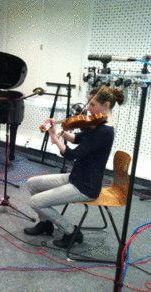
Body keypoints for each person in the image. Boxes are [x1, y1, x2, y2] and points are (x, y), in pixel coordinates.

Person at [23, 85, 124, 248]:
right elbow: (77, 138)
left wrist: (54, 138)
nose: (89, 109)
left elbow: (72, 155)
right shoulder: (98, 123)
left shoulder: (104, 131)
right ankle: (46, 224)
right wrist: (60, 132)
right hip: (75, 178)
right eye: (88, 104)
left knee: (35, 202)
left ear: (106, 105)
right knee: (32, 183)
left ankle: (71, 232)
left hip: (85, 187)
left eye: (92, 104)